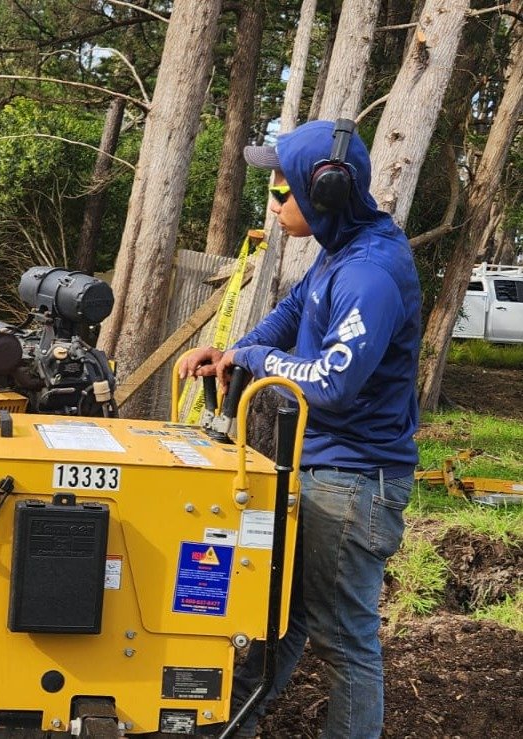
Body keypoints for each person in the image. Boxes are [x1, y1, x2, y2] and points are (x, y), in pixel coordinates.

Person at [180, 120, 421, 738]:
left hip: (352, 481)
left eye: (282, 191)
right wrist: (233, 351)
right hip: (319, 469)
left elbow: (334, 384)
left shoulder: (370, 274)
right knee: (277, 614)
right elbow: (290, 316)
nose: (273, 201)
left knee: (344, 640)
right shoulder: (339, 253)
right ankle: (229, 724)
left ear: (328, 195)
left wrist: (259, 363)